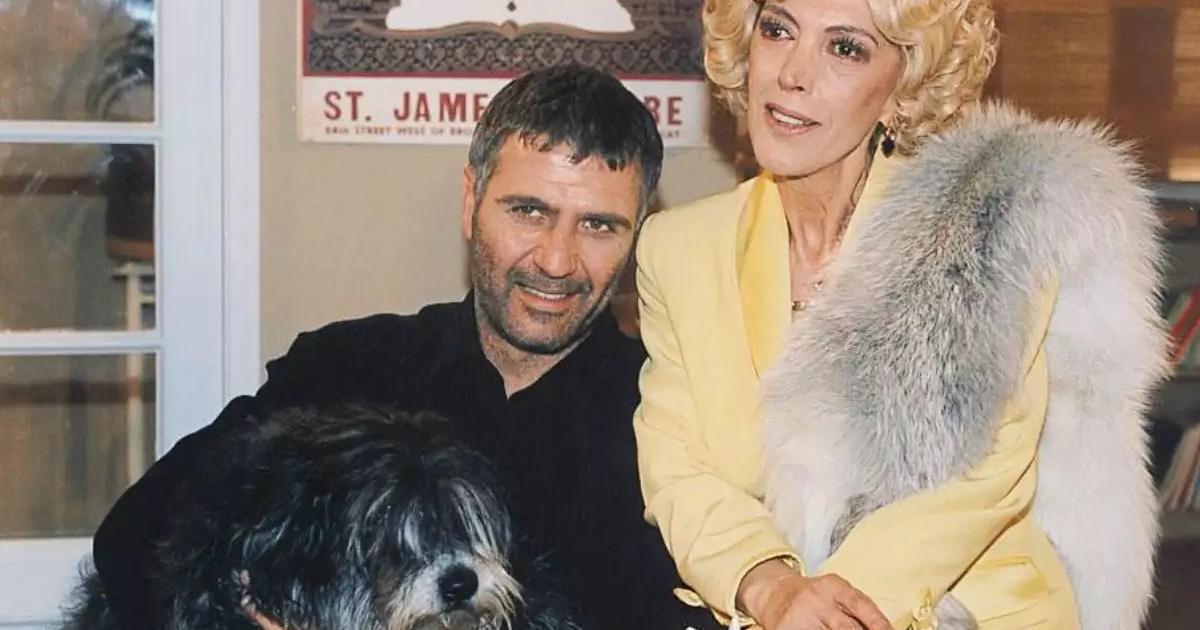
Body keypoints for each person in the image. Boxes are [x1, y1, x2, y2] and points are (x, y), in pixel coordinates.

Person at [93, 64, 713, 630]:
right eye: (528, 211)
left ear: (639, 236)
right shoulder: (340, 370)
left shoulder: (674, 420)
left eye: (599, 226)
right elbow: (134, 538)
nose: (556, 260)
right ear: (471, 202)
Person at [633, 1, 1164, 629]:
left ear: (902, 91)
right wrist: (770, 588)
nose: (793, 74)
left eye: (845, 48)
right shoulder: (679, 248)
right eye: (778, 30)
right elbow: (678, 469)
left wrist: (822, 615)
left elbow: (987, 471)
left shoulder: (980, 222)